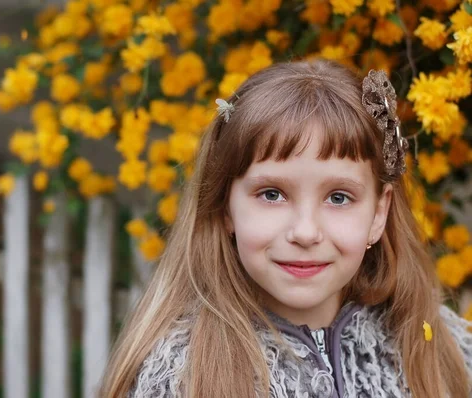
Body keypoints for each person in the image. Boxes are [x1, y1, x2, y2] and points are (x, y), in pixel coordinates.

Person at [100, 60, 472, 397]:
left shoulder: (436, 348)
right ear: (226, 207)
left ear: (378, 214)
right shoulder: (181, 377)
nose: (305, 232)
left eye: (339, 197)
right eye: (272, 194)